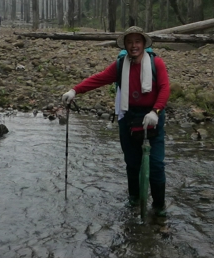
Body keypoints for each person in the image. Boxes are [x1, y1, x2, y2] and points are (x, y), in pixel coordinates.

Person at [61, 26, 170, 216]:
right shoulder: (121, 65)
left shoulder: (156, 63)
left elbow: (164, 88)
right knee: (132, 162)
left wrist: (156, 111)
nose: (134, 45)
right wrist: (75, 90)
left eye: (137, 41)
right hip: (127, 117)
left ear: (143, 44)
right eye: (130, 42)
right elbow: (100, 78)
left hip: (152, 117)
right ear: (125, 45)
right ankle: (134, 199)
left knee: (156, 164)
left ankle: (159, 208)